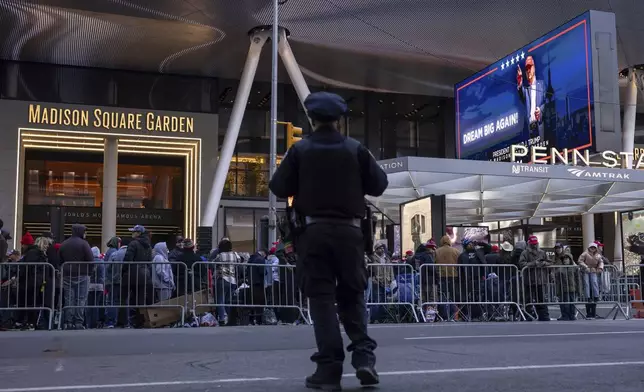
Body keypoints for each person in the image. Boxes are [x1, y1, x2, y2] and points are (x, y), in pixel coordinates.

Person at [269, 91, 388, 390]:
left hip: (314, 233)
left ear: (311, 118)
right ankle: (363, 359)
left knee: (321, 300)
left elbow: (278, 186)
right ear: (339, 119)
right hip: (350, 233)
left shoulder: (301, 150)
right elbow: (380, 184)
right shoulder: (355, 149)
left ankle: (329, 370)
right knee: (353, 295)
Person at [59, 224, 94, 330]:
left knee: (69, 298)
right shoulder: (84, 244)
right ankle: (78, 322)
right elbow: (91, 260)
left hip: (67, 274)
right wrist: (89, 271)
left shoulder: (64, 244)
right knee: (81, 299)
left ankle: (68, 322)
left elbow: (59, 259)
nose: (85, 234)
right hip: (82, 274)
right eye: (84, 231)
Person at [518, 235, 551, 321]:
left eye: (535, 244)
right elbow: (521, 264)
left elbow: (550, 262)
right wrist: (533, 263)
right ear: (529, 243)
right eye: (532, 244)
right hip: (529, 279)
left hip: (540, 279)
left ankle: (544, 315)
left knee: (541, 298)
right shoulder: (524, 253)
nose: (534, 245)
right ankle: (527, 315)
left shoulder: (542, 252)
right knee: (528, 298)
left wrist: (543, 263)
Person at [517, 55, 546, 140]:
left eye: (530, 67)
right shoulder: (526, 89)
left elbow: (547, 102)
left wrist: (540, 111)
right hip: (530, 130)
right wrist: (519, 82)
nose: (528, 70)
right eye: (526, 69)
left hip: (540, 127)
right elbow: (521, 93)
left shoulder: (542, 85)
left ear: (534, 68)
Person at [577, 242, 604, 319]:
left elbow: (601, 262)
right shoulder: (585, 254)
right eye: (591, 247)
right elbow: (580, 261)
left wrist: (600, 268)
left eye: (594, 247)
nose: (593, 249)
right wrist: (585, 267)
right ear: (589, 248)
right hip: (586, 271)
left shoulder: (598, 255)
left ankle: (596, 296)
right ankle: (588, 296)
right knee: (586, 284)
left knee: (594, 283)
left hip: (594, 271)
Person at [553, 243, 577, 321]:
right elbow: (558, 281)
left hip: (572, 287)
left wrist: (579, 289)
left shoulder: (573, 268)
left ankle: (572, 315)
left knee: (572, 302)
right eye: (564, 259)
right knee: (564, 302)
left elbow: (577, 278)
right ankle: (565, 315)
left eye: (567, 259)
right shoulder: (559, 267)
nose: (565, 260)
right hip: (563, 288)